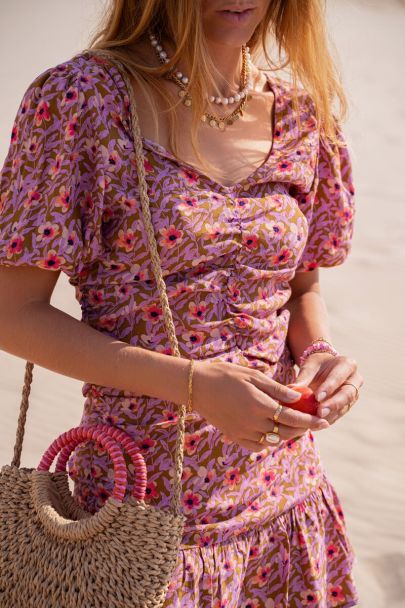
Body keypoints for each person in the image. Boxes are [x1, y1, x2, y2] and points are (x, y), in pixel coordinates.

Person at [0, 0, 364, 605]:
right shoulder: (82, 100)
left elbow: (300, 285)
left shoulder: (304, 110)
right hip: (141, 518)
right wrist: (193, 384)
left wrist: (320, 354)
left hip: (286, 509)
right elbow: (11, 314)